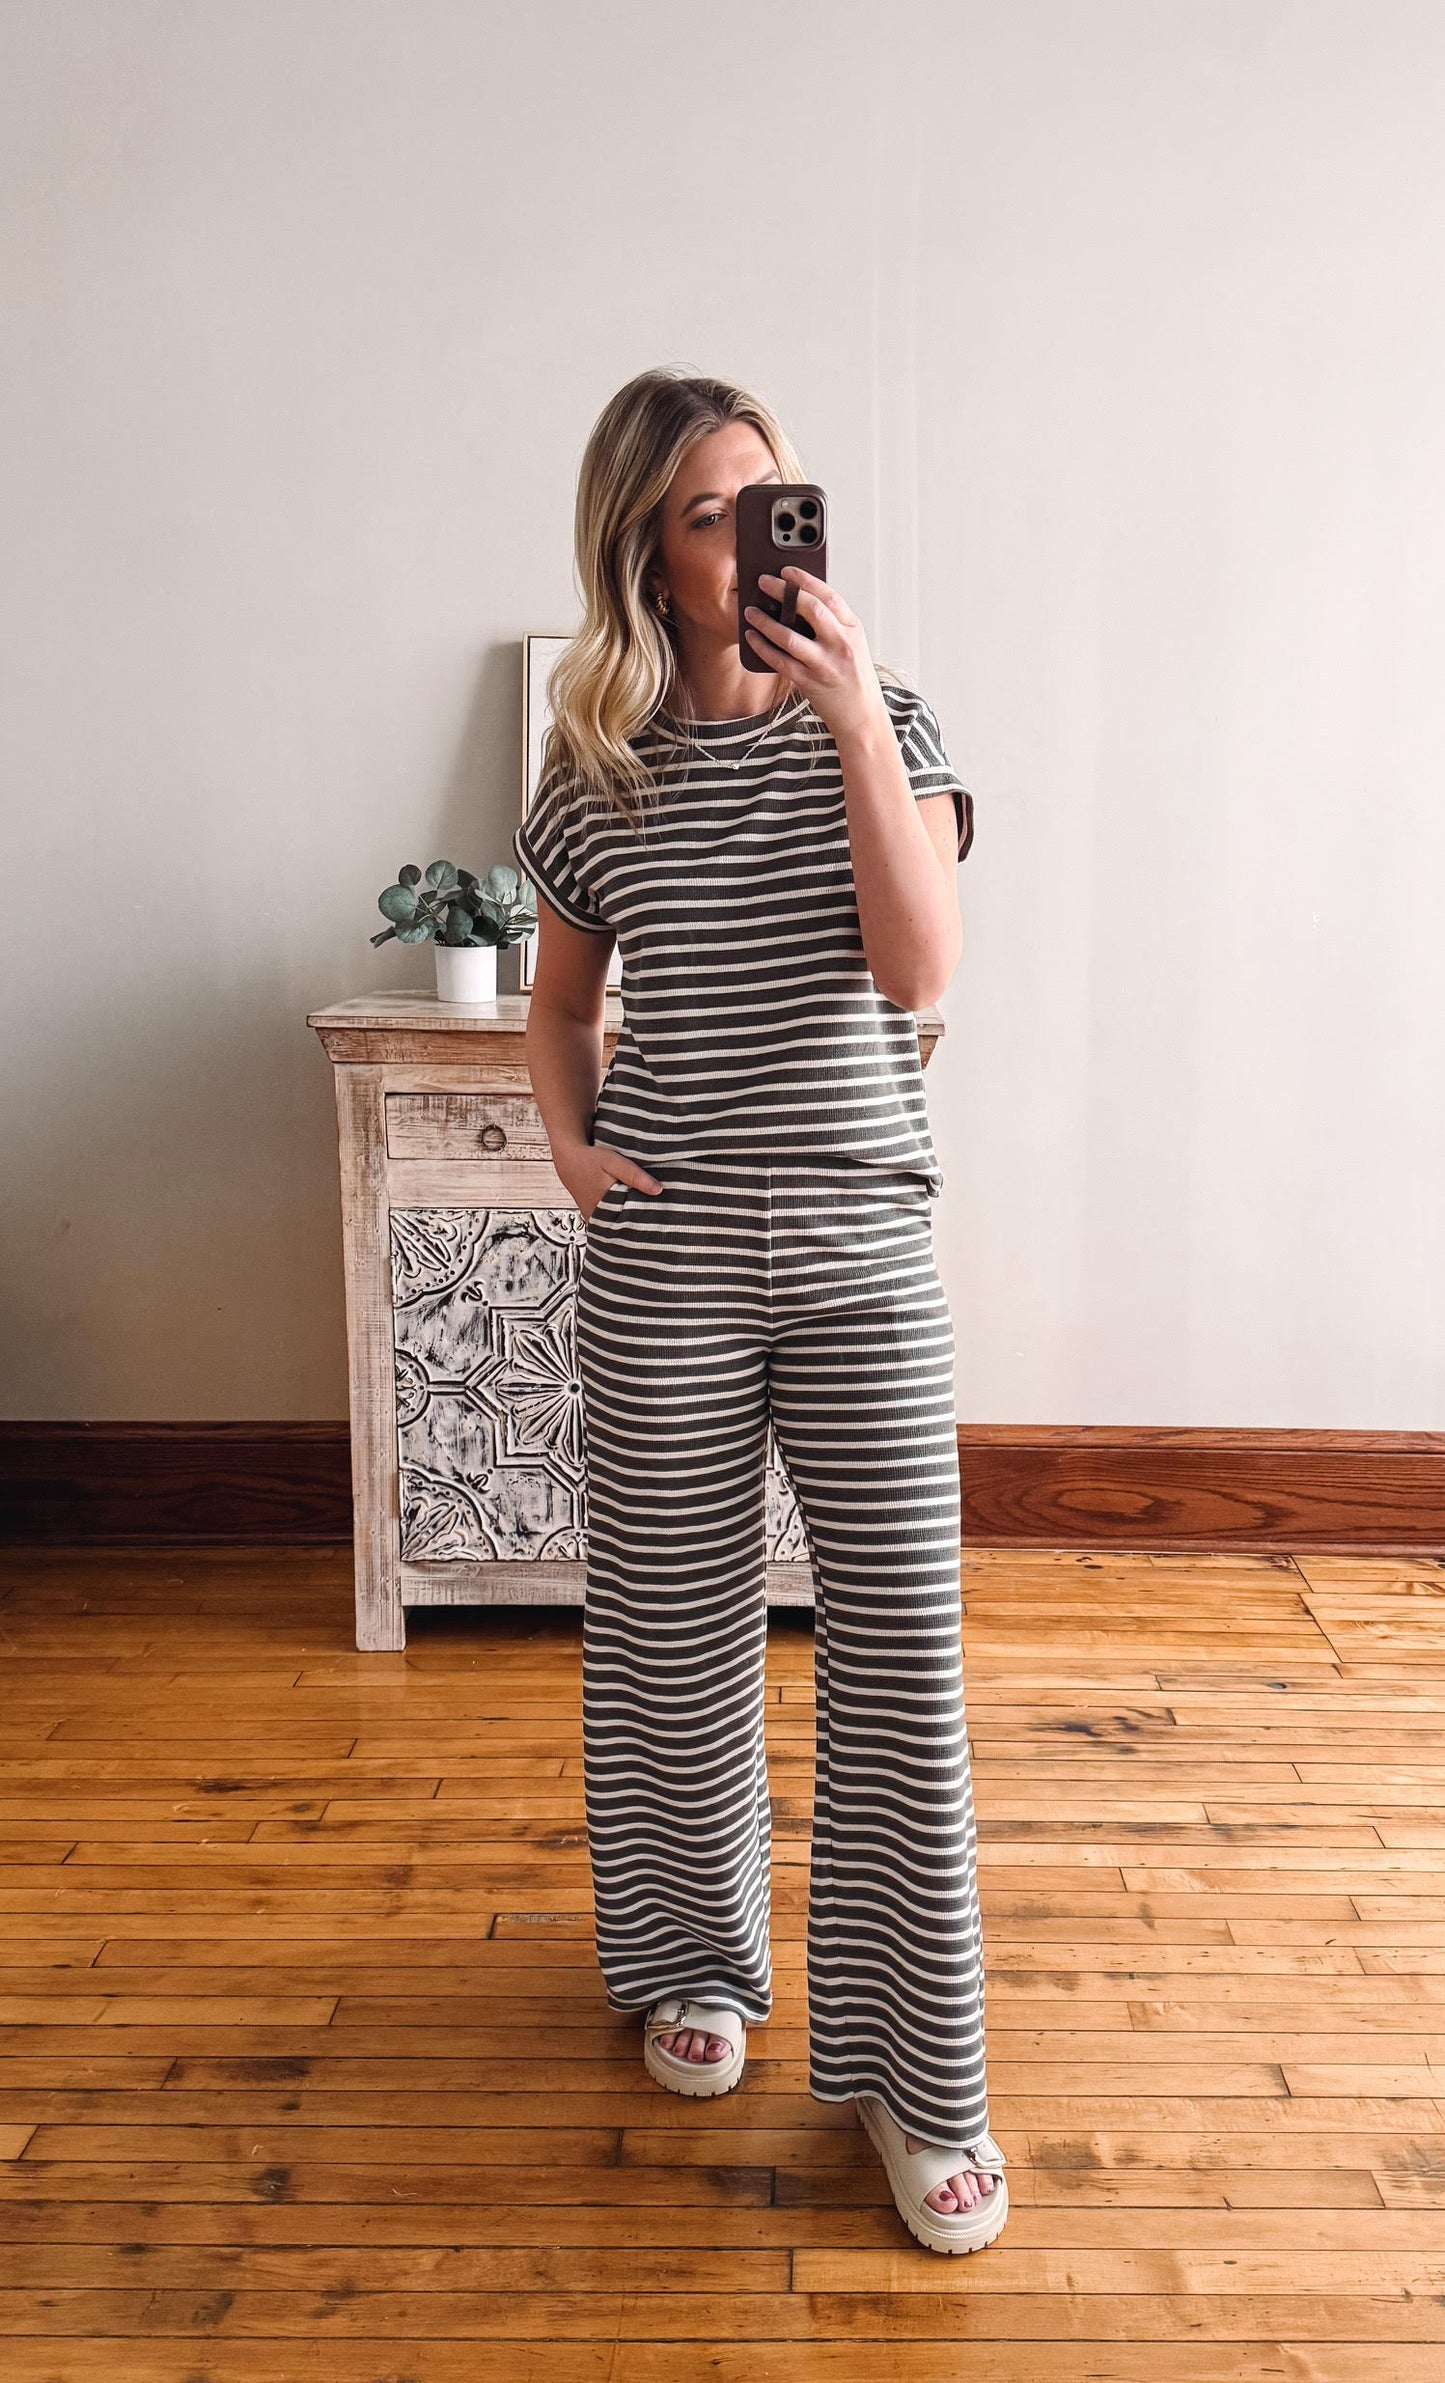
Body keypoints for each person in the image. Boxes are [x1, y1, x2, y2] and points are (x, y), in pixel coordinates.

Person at [513, 365, 1007, 2255]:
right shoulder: (598, 768)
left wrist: (856, 714)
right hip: (667, 1256)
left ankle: (918, 2078)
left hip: (865, 1240)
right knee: (673, 1629)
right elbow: (563, 1005)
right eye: (713, 514)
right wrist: (572, 1149)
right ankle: (688, 1961)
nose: (753, 544)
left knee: (898, 1653)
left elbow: (918, 958)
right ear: (648, 541)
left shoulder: (889, 720)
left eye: (773, 503)